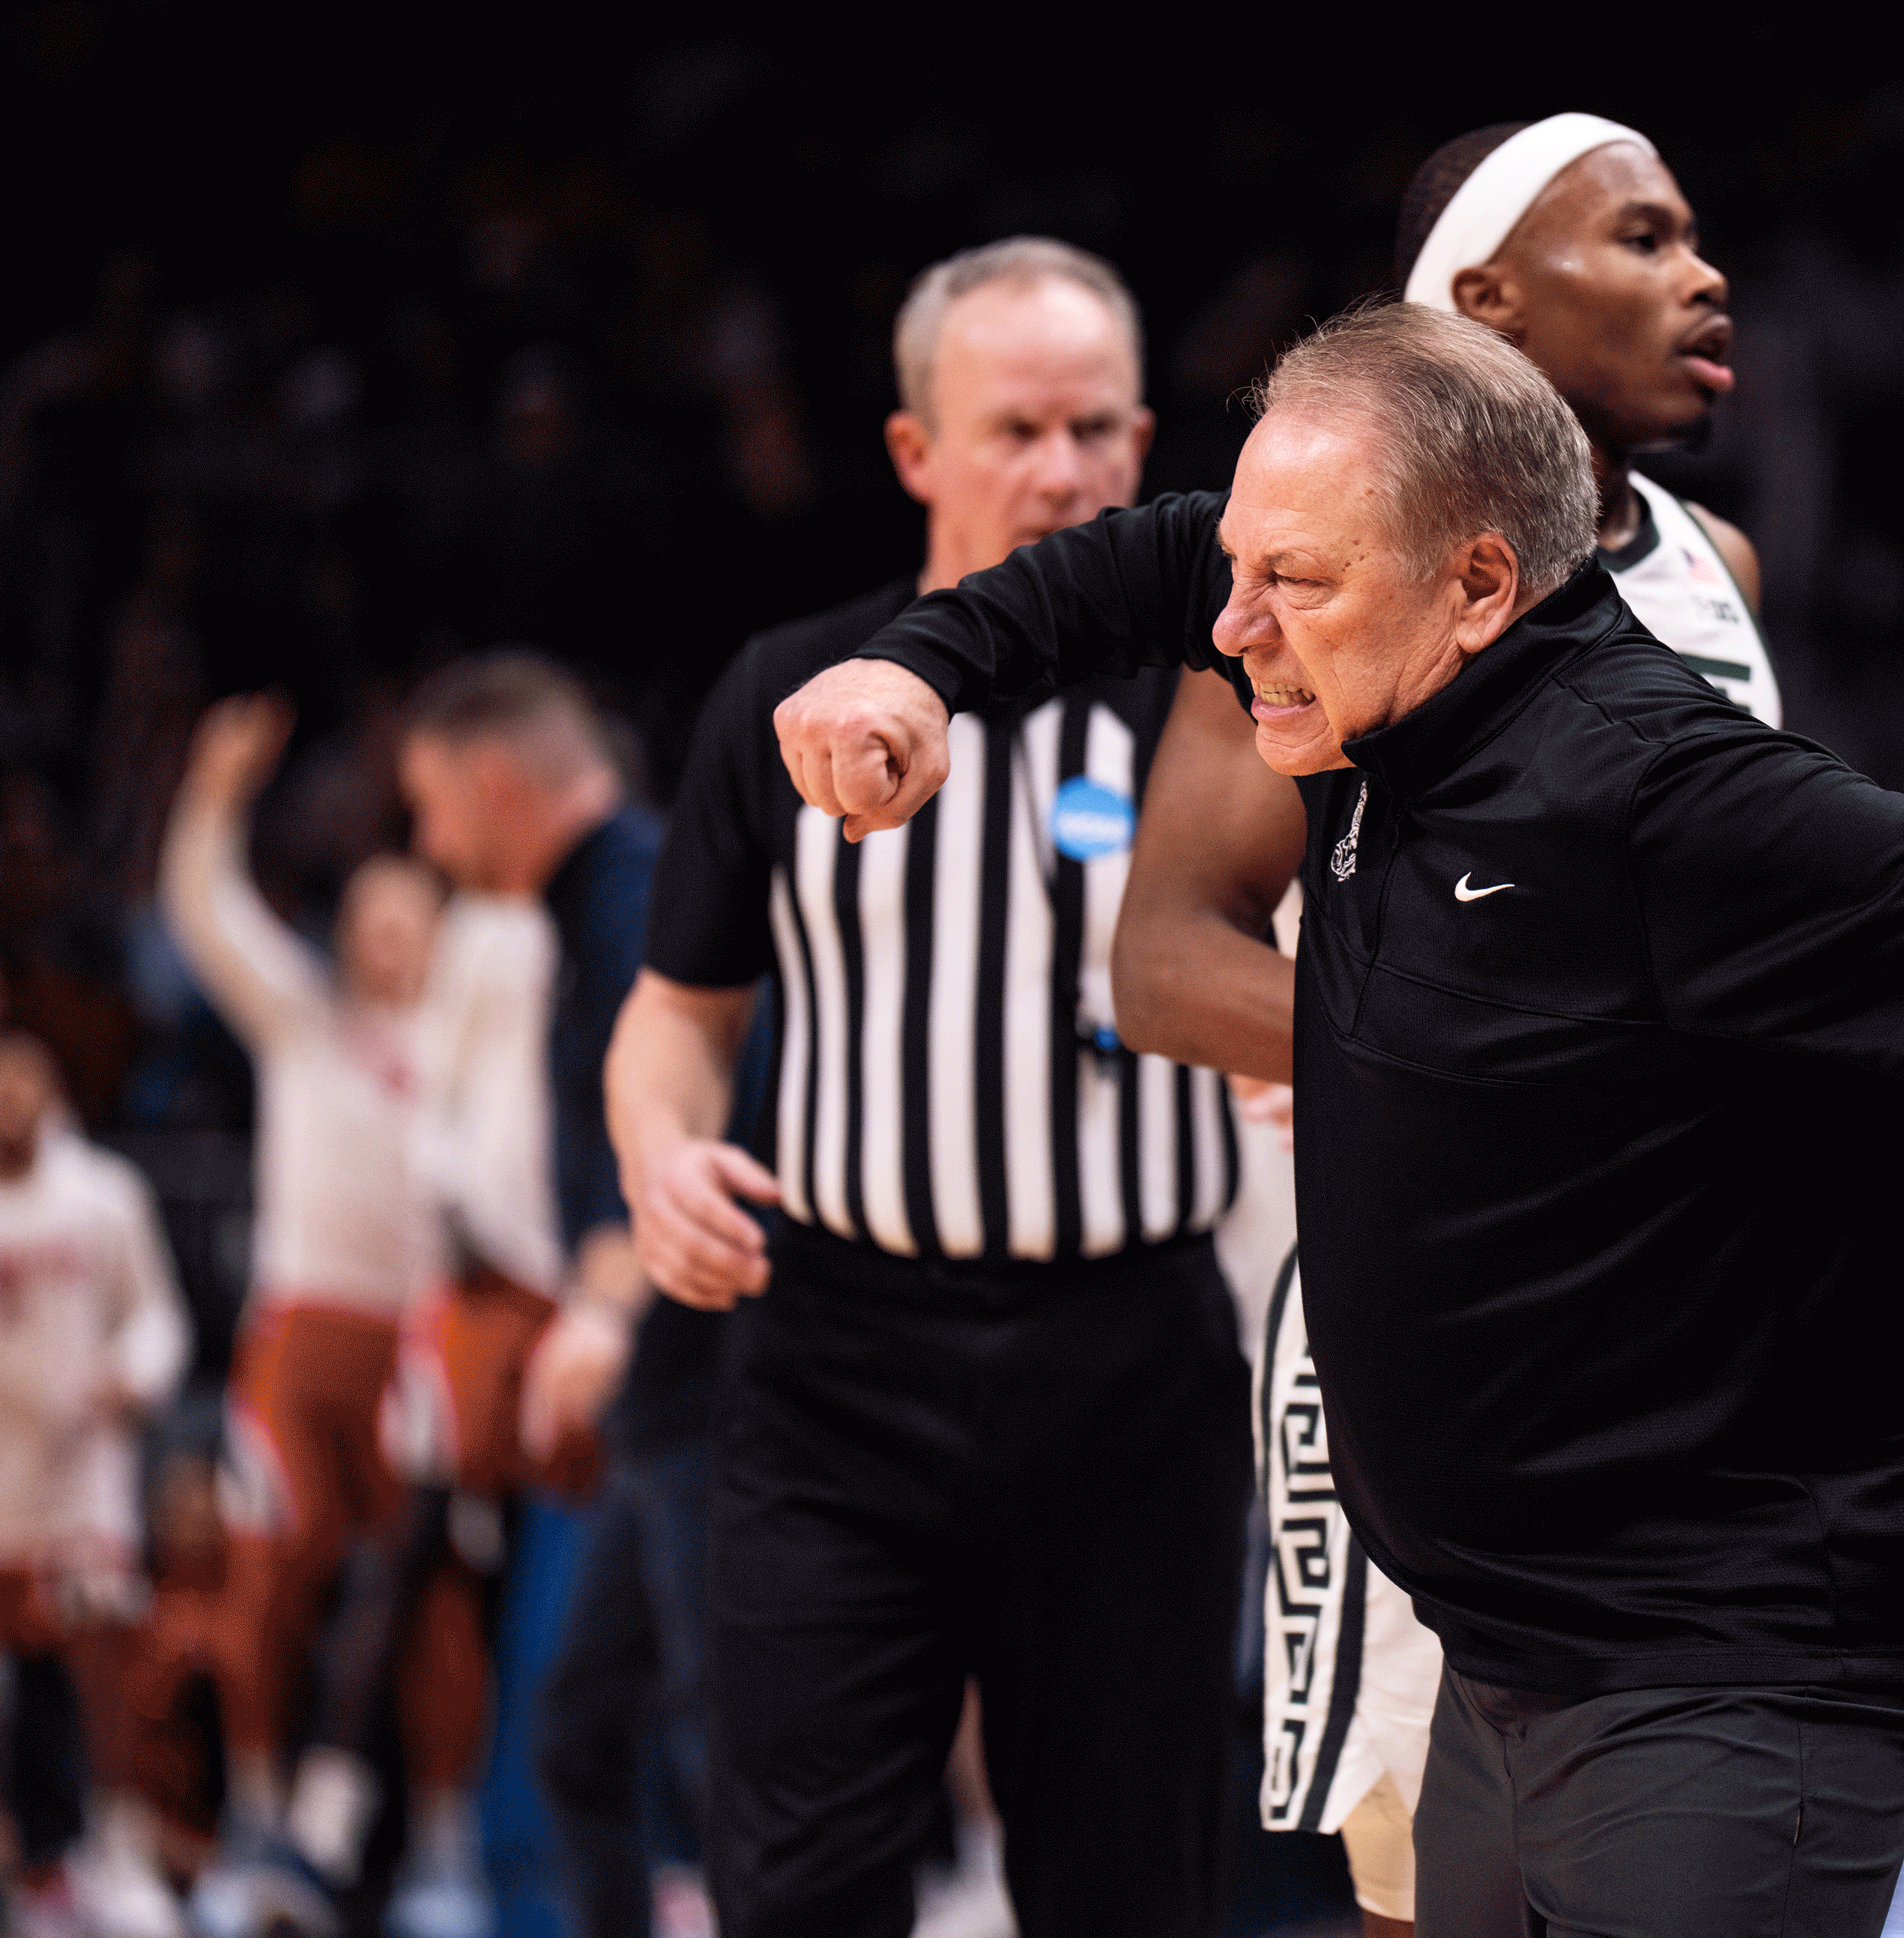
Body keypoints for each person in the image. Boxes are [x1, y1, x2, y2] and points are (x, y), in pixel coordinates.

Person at [770, 301, 1904, 1938]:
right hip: (1512, 1640)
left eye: (1288, 584)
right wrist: (924, 667)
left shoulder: (1666, 798)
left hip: (1734, 1654)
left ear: (1479, 583)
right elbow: (1127, 571)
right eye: (1242, 573)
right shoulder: (1368, 665)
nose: (1231, 632)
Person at [1117, 112, 1777, 1935]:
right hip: (1435, 1323)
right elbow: (1163, 956)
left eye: (1694, 236)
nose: (1699, 274)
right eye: (1639, 240)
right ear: (1482, 301)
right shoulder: (1322, 563)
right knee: (1443, 1893)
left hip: (1691, 1337)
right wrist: (1453, 1059)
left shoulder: (1717, 560)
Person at [606, 237, 1247, 1938]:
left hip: (1138, 1369)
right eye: (1016, 427)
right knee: (801, 1886)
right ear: (914, 453)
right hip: (840, 1363)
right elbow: (674, 1014)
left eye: (1097, 429)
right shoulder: (787, 692)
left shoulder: (1230, 701)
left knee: (1130, 1890)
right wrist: (662, 1154)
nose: (1062, 469)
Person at [160, 694, 480, 1938]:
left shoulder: (469, 1042)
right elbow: (206, 914)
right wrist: (211, 791)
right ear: (348, 932)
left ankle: (443, 1857)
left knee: (434, 1607)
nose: (390, 940)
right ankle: (254, 1827)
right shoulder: (306, 1024)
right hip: (300, 1340)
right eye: (372, 921)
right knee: (272, 1581)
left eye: (413, 921)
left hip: (419, 1345)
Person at [390, 650, 674, 1938]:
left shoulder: (633, 886)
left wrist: (606, 1302)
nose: (429, 842)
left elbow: (686, 1105)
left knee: (743, 1735)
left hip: (721, 1373)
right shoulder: (581, 904)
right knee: (578, 1725)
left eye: (432, 807)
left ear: (495, 781)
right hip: (664, 1378)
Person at [0, 1031, 190, 1938]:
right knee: (20, 1704)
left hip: (81, 1484)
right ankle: (36, 1872)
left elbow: (160, 1318)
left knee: (98, 1684)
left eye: (22, 1082)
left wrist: (132, 1372)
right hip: (3, 1485)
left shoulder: (103, 1195)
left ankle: (118, 1853)